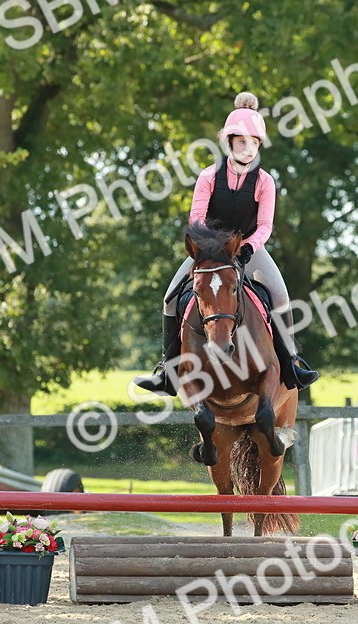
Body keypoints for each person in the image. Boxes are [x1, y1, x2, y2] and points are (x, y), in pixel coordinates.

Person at [133, 91, 319, 397]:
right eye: (242, 141)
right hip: (210, 253)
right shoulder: (208, 176)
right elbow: (197, 218)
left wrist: (248, 247)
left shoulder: (264, 181)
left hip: (248, 249)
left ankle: (291, 365)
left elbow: (265, 225)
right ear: (229, 142)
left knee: (281, 296)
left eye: (254, 143)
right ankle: (167, 372)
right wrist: (211, 248)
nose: (248, 148)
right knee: (169, 299)